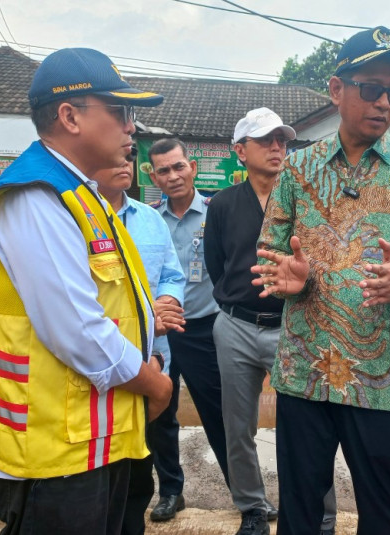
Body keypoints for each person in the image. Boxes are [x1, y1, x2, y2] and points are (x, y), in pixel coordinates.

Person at [251, 26, 390, 534]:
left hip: (385, 380)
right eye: (372, 88)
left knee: (383, 509)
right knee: (299, 507)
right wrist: (292, 278)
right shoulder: (298, 169)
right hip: (307, 373)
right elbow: (270, 253)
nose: (386, 102)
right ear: (336, 89)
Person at [0, 48, 172, 535]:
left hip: (97, 439)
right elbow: (75, 327)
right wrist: (152, 381)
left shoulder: (81, 193)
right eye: (121, 111)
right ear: (69, 116)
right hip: (56, 455)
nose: (131, 127)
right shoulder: (34, 196)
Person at [205, 108, 337, 535]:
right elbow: (217, 264)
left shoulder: (305, 202)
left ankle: (320, 514)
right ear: (241, 151)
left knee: (308, 424)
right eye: (265, 140)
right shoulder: (223, 204)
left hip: (293, 324)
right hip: (237, 325)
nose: (277, 147)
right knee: (237, 423)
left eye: (281, 139)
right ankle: (252, 507)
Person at [92, 157, 190, 524]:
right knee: (109, 438)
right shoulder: (76, 219)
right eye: (113, 157)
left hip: (155, 353)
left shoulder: (150, 220)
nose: (123, 164)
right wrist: (151, 318)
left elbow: (171, 273)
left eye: (128, 157)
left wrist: (167, 301)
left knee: (160, 426)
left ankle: (168, 490)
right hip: (103, 355)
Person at [146, 137, 231, 522]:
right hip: (160, 330)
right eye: (163, 170)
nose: (173, 175)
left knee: (219, 413)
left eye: (179, 166)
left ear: (192, 167)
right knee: (159, 412)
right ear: (153, 176)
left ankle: (246, 494)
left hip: (205, 329)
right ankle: (170, 491)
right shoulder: (147, 219)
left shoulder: (218, 213)